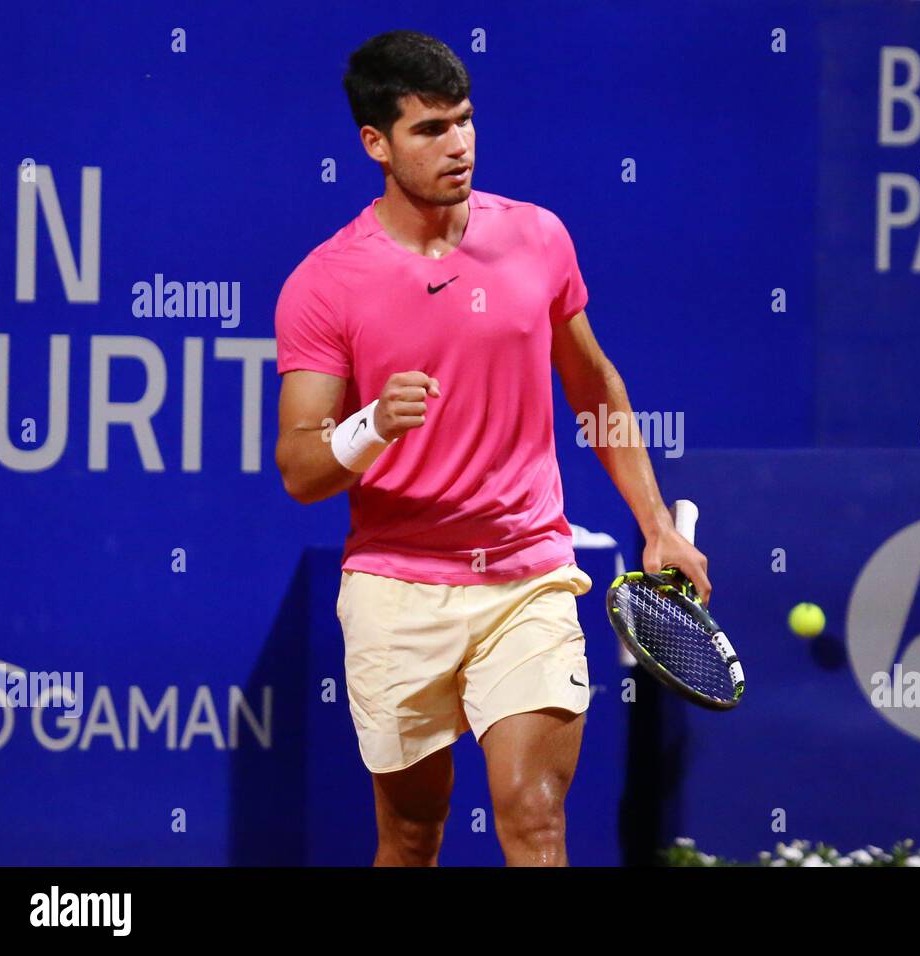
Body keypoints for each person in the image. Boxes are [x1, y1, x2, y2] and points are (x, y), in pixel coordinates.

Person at [273, 30, 709, 866]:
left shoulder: (539, 238)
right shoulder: (325, 284)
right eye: (430, 129)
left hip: (529, 577)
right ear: (376, 144)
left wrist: (655, 523)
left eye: (465, 121)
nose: (459, 145)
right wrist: (371, 427)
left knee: (536, 814)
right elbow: (301, 467)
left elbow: (594, 386)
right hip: (398, 586)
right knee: (410, 834)